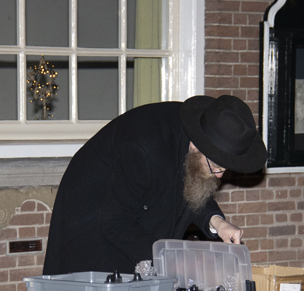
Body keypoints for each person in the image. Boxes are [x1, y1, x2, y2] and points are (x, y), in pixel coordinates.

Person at [42, 95, 267, 275]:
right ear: (195, 146)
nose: (219, 176)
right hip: (92, 219)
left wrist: (217, 222)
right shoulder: (142, 148)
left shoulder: (199, 135)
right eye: (216, 166)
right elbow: (116, 223)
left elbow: (194, 186)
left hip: (131, 210)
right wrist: (170, 261)